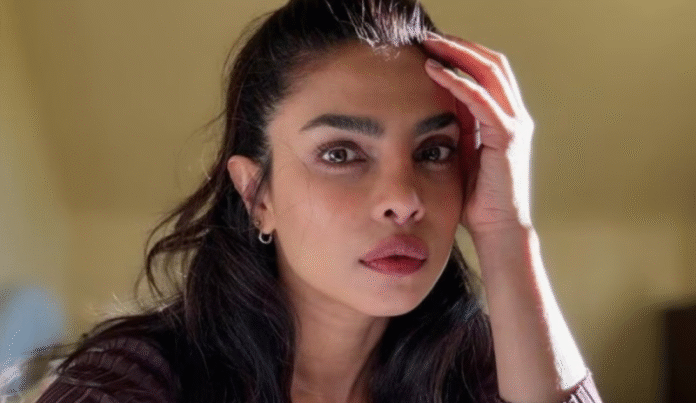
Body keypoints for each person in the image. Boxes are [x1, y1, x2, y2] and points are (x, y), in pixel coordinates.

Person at [36, 0, 603, 402]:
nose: (404, 200)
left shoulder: (483, 371)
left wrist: (506, 232)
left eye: (433, 152)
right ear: (256, 193)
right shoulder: (135, 381)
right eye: (340, 153)